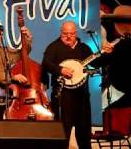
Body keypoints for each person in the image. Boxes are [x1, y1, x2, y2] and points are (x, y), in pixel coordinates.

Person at [42, 20, 112, 149]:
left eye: (72, 34)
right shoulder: (54, 47)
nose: (68, 36)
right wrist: (60, 70)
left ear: (76, 33)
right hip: (63, 96)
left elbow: (97, 62)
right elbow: (46, 63)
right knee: (63, 132)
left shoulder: (83, 48)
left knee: (84, 132)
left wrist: (107, 54)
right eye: (65, 34)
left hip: (82, 96)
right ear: (61, 32)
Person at [100, 5, 131, 135]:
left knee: (104, 104)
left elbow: (100, 62)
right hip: (122, 90)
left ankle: (111, 131)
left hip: (121, 91)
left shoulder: (119, 45)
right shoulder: (119, 44)